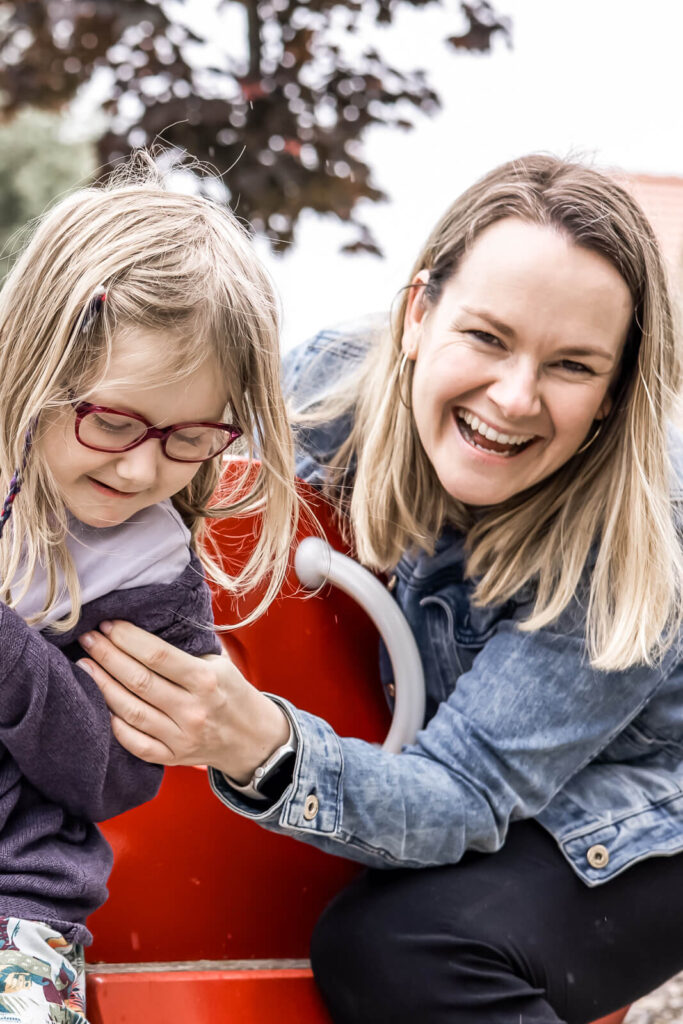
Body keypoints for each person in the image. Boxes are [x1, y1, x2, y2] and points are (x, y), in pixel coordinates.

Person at [79, 154, 683, 1024]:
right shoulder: (329, 388)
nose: (512, 397)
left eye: (572, 366)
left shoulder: (633, 529)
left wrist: (259, 742)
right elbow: (168, 448)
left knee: (408, 944)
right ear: (416, 314)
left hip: (642, 811)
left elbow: (462, 794)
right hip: (481, 760)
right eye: (486, 336)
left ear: (614, 391)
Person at [0, 156, 297, 1023]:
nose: (139, 467)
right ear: (33, 363)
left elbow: (111, 773)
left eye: (189, 437)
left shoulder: (150, 576)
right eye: (113, 420)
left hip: (15, 904)